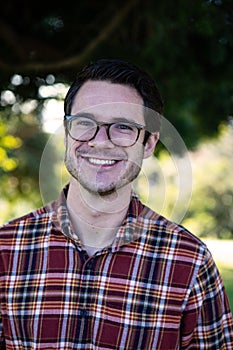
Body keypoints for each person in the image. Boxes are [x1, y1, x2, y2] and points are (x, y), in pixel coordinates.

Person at [0, 58, 232, 350]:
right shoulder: (6, 249)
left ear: (148, 144)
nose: (100, 141)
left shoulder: (190, 262)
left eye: (123, 127)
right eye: (85, 123)